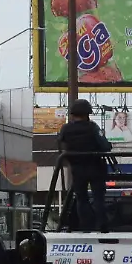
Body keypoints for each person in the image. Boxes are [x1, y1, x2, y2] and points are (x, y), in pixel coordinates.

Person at [57, 99, 112, 232]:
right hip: (96, 167)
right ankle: (102, 227)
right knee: (98, 197)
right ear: (88, 113)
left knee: (81, 199)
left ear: (72, 114)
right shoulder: (93, 127)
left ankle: (86, 227)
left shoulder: (66, 129)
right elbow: (105, 146)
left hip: (77, 169)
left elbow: (60, 143)